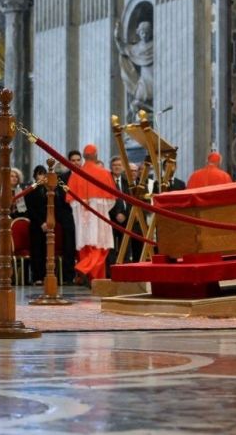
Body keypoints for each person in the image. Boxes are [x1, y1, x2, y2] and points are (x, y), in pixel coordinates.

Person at [67, 144, 116, 284]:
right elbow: (111, 201)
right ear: (96, 155)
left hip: (82, 220)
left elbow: (71, 202)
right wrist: (100, 208)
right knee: (101, 248)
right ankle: (85, 268)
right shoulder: (105, 173)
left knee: (86, 249)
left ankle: (91, 278)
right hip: (99, 217)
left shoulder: (75, 175)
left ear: (83, 156)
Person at [114, 20, 154, 117]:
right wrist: (117, 36)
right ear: (139, 33)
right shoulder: (137, 48)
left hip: (154, 75)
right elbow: (122, 48)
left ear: (150, 32)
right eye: (142, 32)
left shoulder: (155, 45)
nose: (144, 35)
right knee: (138, 99)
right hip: (145, 79)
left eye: (147, 32)